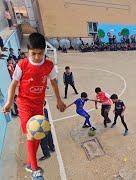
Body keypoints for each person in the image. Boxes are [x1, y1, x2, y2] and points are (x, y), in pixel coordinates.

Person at [2, 32, 66, 180]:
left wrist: (59, 100)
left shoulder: (49, 65)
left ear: (44, 50)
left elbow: (54, 83)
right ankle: (35, 170)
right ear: (28, 51)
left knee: (38, 133)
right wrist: (9, 101)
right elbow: (13, 85)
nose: (37, 57)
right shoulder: (22, 64)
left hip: (38, 105)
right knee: (32, 132)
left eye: (40, 53)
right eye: (34, 53)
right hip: (24, 104)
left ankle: (30, 162)